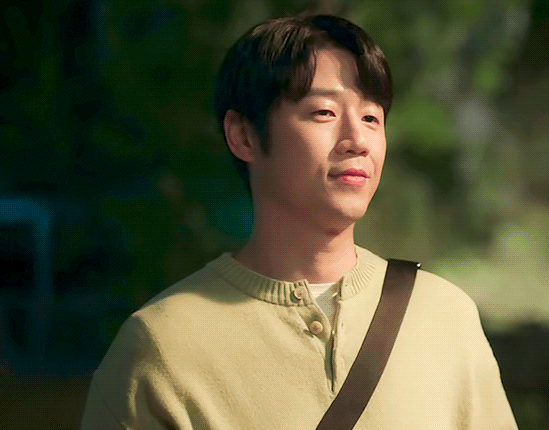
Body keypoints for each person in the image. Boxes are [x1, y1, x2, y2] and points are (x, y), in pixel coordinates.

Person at [80, 14, 518, 429]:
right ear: (243, 135)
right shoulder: (162, 346)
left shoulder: (445, 316)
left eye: (371, 118)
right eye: (324, 112)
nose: (357, 140)